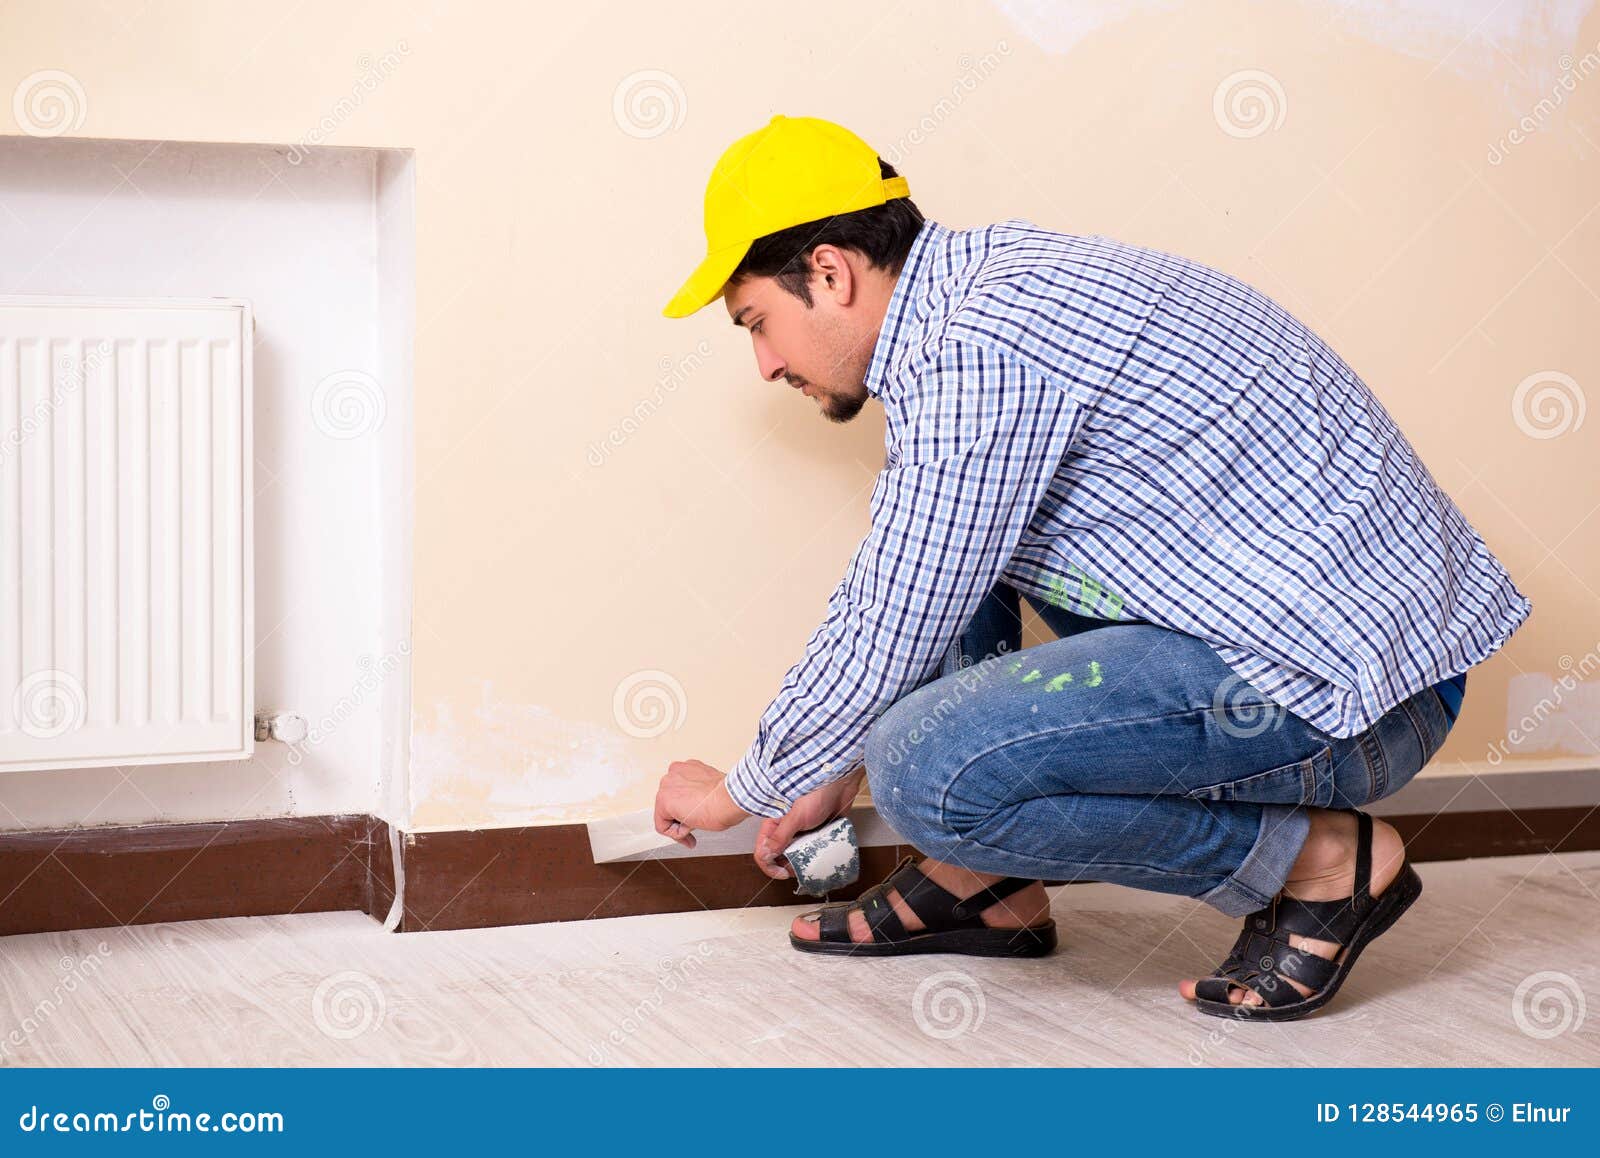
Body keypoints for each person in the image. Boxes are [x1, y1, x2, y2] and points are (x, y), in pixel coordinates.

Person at [651, 114, 1531, 1020]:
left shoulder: (978, 350)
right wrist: (824, 763)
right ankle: (984, 883)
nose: (762, 364)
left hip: (1350, 701)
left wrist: (741, 791)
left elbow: (890, 617)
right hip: (1310, 649)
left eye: (758, 323)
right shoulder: (982, 293)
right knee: (960, 565)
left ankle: (1327, 863)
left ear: (830, 273)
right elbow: (918, 567)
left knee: (918, 770)